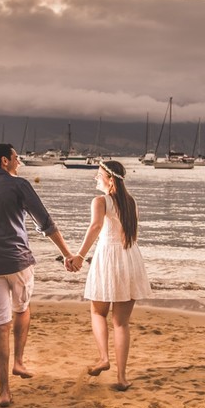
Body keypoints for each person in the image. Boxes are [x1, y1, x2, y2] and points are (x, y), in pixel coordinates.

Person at [0, 143, 76, 407]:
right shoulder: (19, 185)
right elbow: (45, 222)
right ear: (5, 161)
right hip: (18, 262)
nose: (20, 161)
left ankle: (4, 391)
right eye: (16, 157)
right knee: (22, 309)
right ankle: (18, 361)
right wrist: (66, 253)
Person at [65, 159, 151, 391]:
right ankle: (122, 378)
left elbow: (95, 228)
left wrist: (80, 256)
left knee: (98, 312)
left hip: (108, 258)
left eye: (99, 174)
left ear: (110, 180)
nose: (95, 178)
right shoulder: (131, 202)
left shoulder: (101, 201)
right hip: (130, 259)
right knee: (121, 323)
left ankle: (104, 358)